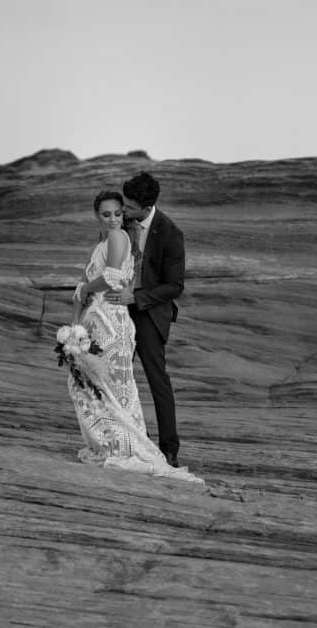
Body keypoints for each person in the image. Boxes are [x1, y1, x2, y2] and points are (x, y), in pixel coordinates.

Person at [62, 190, 200, 483]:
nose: (113, 219)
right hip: (98, 319)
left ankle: (128, 447)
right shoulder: (104, 241)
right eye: (106, 214)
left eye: (117, 213)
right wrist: (75, 326)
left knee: (110, 386)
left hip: (111, 320)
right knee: (100, 384)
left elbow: (110, 278)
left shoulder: (117, 237)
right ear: (96, 215)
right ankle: (116, 443)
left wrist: (86, 290)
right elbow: (86, 284)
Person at [103, 173, 185, 468]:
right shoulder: (120, 223)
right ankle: (118, 440)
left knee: (156, 378)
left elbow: (175, 285)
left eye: (129, 206)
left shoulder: (170, 233)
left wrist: (136, 297)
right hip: (117, 310)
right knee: (113, 376)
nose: (123, 210)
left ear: (147, 206)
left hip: (149, 312)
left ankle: (169, 448)